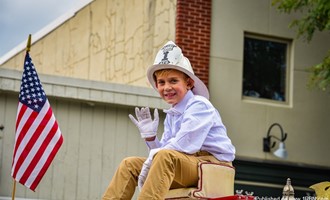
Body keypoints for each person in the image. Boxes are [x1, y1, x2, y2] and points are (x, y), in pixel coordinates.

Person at [102, 41, 235, 200]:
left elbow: (182, 145)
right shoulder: (173, 114)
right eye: (161, 82)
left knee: (165, 157)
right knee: (129, 164)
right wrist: (151, 139)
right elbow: (165, 152)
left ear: (189, 83)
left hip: (211, 166)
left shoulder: (200, 105)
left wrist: (154, 156)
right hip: (189, 164)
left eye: (173, 81)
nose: (166, 88)